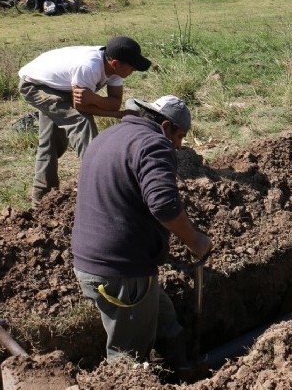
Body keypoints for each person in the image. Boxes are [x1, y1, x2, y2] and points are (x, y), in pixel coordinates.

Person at [71, 95, 212, 374]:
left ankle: (184, 372)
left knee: (165, 319)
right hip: (121, 270)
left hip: (101, 260)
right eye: (179, 136)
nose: (178, 145)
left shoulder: (110, 135)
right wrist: (195, 240)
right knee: (129, 360)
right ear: (166, 125)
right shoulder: (154, 144)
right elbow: (163, 204)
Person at [18, 36, 151, 204]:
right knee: (82, 123)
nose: (133, 71)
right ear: (115, 63)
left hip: (61, 85)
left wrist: (93, 98)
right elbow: (81, 108)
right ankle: (105, 183)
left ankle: (42, 200)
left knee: (51, 142)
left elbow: (114, 104)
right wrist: (117, 114)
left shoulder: (113, 69)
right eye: (131, 67)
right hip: (36, 85)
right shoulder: (89, 68)